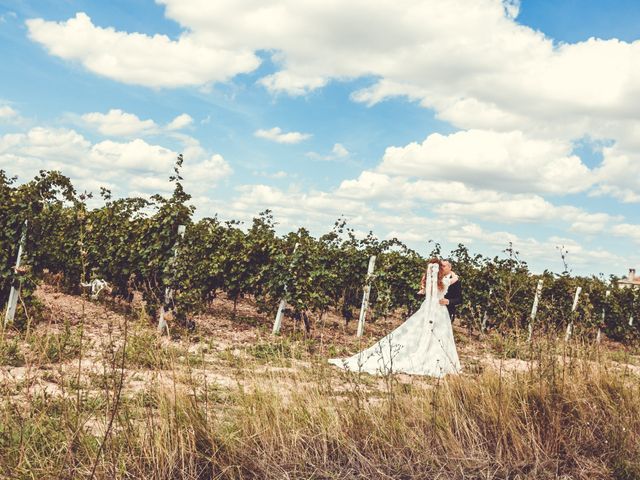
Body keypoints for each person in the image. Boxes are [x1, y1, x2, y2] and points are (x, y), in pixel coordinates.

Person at [329, 258, 461, 377]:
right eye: (441, 266)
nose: (443, 268)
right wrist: (453, 274)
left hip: (432, 308)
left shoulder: (429, 280)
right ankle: (433, 358)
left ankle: (435, 357)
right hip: (438, 309)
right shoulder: (444, 280)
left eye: (445, 266)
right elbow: (454, 278)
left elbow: (452, 295)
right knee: (433, 334)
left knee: (437, 334)